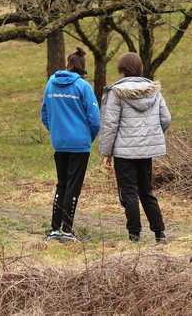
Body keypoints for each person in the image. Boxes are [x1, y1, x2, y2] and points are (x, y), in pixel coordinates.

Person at [99, 52, 170, 243]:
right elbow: (166, 119)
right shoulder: (153, 90)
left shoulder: (116, 92)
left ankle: (134, 235)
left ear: (122, 69)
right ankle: (159, 233)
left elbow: (110, 125)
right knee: (146, 191)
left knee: (129, 192)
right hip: (146, 152)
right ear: (140, 67)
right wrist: (151, 137)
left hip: (124, 153)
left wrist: (106, 152)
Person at [40, 47, 100, 241]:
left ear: (68, 64)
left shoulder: (51, 83)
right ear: (82, 66)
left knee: (62, 184)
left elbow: (44, 114)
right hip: (79, 144)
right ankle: (67, 229)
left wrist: (56, 131)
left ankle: (54, 228)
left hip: (59, 143)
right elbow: (95, 120)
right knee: (73, 186)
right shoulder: (83, 87)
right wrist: (88, 138)